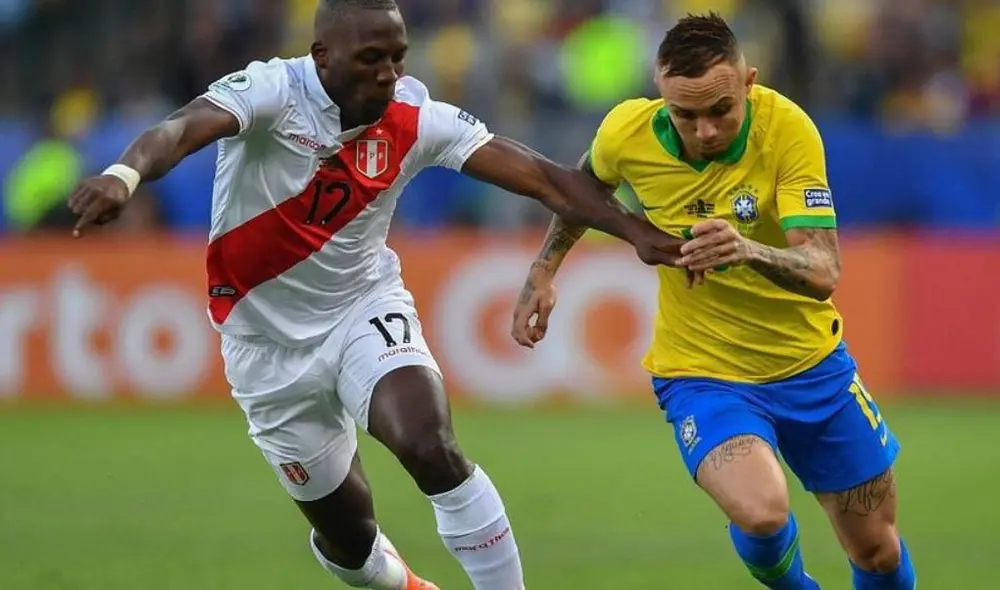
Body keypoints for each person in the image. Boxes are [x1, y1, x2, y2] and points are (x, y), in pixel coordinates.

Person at [66, 1, 687, 589]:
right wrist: (125, 175)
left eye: (399, 56)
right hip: (263, 350)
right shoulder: (271, 91)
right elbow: (179, 129)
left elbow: (545, 178)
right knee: (353, 546)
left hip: (363, 309)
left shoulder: (415, 118)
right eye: (371, 59)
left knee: (430, 445)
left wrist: (637, 233)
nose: (390, 74)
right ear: (322, 56)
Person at [510, 13, 917, 590]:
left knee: (876, 550)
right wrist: (543, 270)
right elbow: (580, 191)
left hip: (812, 369)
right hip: (703, 374)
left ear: (749, 82)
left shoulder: (787, 130)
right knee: (763, 510)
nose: (705, 130)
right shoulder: (626, 132)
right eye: (686, 114)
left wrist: (747, 249)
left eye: (720, 110)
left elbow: (825, 270)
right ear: (661, 98)